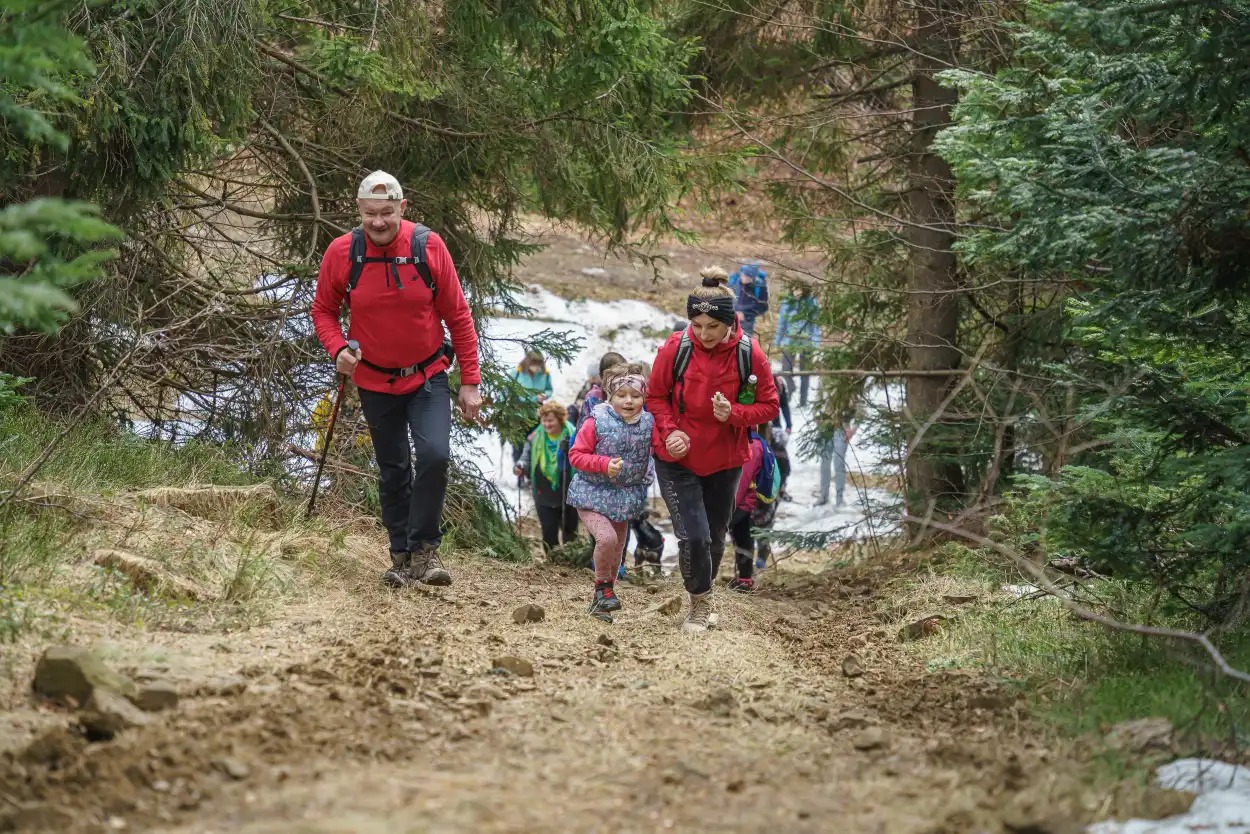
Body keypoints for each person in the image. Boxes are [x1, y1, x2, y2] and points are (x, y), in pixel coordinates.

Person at [312, 170, 482, 588]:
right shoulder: (342, 252)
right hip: (373, 379)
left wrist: (470, 381)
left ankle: (425, 551)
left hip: (427, 375)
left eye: (387, 212)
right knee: (393, 469)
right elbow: (323, 310)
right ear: (359, 210)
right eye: (370, 213)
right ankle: (401, 557)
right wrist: (337, 348)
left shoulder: (428, 246)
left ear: (402, 208)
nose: (378, 222)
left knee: (435, 456)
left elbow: (458, 315)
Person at [647, 268, 780, 633]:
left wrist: (734, 413)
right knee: (694, 536)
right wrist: (670, 431)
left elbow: (770, 406)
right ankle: (699, 604)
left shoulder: (749, 353)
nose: (703, 334)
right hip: (677, 457)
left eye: (712, 327)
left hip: (725, 459)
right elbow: (655, 397)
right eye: (697, 325)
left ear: (729, 323)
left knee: (715, 537)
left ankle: (701, 596)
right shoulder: (676, 348)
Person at [567, 363, 656, 621]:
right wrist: (603, 464)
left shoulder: (648, 423)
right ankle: (603, 590)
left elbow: (659, 448)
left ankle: (602, 603)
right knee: (606, 539)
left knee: (617, 551)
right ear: (610, 395)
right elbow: (576, 455)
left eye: (635, 395)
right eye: (621, 395)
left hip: (623, 498)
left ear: (643, 397)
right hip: (591, 494)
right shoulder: (596, 421)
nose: (628, 401)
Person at [515, 400, 579, 552]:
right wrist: (521, 466)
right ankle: (552, 559)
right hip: (543, 492)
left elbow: (581, 458)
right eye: (544, 420)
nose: (546, 424)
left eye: (550, 421)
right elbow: (526, 457)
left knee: (570, 531)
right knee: (548, 531)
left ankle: (571, 557)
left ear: (560, 420)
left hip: (568, 492)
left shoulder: (573, 435)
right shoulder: (535, 436)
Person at [727, 425, 768, 594]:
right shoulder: (751, 440)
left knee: (742, 537)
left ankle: (744, 580)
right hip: (742, 501)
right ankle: (743, 579)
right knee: (741, 537)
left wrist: (729, 507)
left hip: (742, 502)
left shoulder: (750, 444)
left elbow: (742, 480)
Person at [774, 284, 820, 407]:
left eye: (799, 289)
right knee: (786, 369)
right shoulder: (787, 303)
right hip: (790, 341)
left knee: (805, 372)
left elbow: (816, 325)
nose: (797, 292)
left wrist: (816, 342)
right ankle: (791, 388)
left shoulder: (811, 303)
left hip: (807, 342)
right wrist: (777, 341)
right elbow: (782, 324)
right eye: (795, 289)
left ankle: (803, 402)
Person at [510, 348, 554, 473]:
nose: (535, 368)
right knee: (518, 446)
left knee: (534, 444)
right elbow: (511, 392)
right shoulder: (516, 373)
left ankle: (531, 474)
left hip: (536, 415)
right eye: (533, 364)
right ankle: (519, 472)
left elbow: (549, 389)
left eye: (538, 365)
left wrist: (545, 395)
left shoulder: (544, 374)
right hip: (518, 415)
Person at [817, 399, 860, 507]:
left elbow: (860, 408)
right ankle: (823, 495)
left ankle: (839, 498)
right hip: (826, 428)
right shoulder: (824, 388)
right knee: (824, 463)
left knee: (839, 463)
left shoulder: (849, 391)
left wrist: (853, 428)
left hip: (841, 429)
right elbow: (818, 401)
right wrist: (817, 417)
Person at [573, 351, 625, 430]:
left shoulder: (629, 394)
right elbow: (584, 427)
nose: (618, 379)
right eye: (613, 375)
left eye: (622, 374)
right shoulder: (593, 397)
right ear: (602, 376)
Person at [727, 262, 769, 337]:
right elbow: (727, 298)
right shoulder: (734, 282)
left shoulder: (760, 287)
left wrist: (745, 314)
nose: (744, 278)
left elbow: (763, 307)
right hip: (730, 318)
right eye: (743, 275)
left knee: (744, 340)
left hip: (747, 322)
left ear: (753, 277)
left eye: (748, 276)